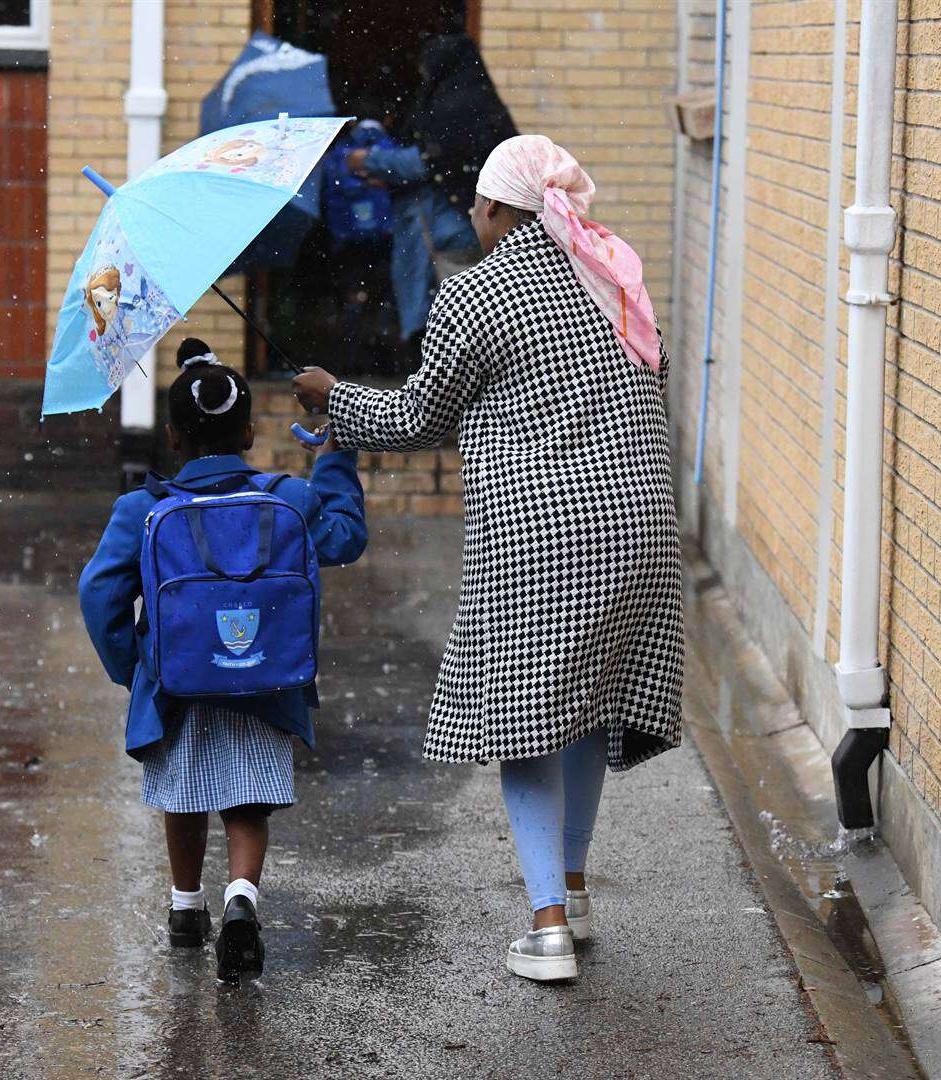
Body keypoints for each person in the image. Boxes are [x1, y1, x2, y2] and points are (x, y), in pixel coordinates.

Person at [290, 135, 682, 983]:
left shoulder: (475, 294)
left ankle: (545, 933)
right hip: (642, 531)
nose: (470, 215)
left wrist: (332, 400)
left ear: (504, 211)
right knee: (582, 706)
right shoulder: (614, 275)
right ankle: (569, 897)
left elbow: (415, 420)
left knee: (523, 726)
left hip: (545, 540)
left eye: (477, 203)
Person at [78, 338, 367, 982]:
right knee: (245, 803)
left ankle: (186, 908)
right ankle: (241, 897)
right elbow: (345, 539)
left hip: (177, 685)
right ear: (246, 433)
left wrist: (135, 667)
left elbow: (98, 592)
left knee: (182, 793)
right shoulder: (288, 499)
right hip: (265, 680)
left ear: (174, 438)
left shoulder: (143, 510)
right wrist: (335, 458)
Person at [346, 34, 518, 344]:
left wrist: (368, 160)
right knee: (470, 325)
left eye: (427, 69)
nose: (424, 76)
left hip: (443, 234)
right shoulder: (479, 101)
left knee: (445, 327)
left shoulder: (453, 108)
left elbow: (429, 161)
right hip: (474, 229)